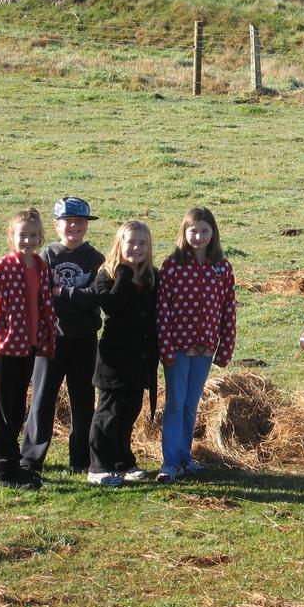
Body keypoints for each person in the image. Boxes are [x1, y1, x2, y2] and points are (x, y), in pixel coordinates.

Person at [0, 208, 57, 490]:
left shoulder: (40, 266)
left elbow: (43, 304)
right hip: (6, 350)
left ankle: (16, 464)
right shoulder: (1, 267)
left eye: (33, 236)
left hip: (31, 347)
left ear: (40, 237)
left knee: (18, 407)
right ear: (12, 236)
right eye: (23, 235)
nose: (28, 241)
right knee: (4, 410)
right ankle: (4, 470)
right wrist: (1, 330)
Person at [20, 196, 104, 476]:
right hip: (50, 339)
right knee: (43, 399)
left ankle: (80, 460)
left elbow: (96, 298)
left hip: (85, 339)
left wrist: (64, 294)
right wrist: (73, 298)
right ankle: (31, 459)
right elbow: (43, 297)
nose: (74, 226)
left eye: (80, 221)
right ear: (56, 225)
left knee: (83, 400)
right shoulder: (47, 257)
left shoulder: (95, 259)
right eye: (68, 221)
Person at [156, 207, 237, 482]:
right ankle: (169, 461)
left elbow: (228, 308)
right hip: (178, 349)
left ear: (213, 233)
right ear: (184, 232)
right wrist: (165, 347)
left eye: (204, 231)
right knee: (175, 403)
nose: (199, 236)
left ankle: (185, 457)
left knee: (191, 404)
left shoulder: (222, 268)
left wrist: (225, 347)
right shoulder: (173, 265)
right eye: (193, 231)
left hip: (205, 349)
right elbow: (162, 309)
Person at [87, 221, 159, 487]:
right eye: (131, 242)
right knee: (109, 412)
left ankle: (122, 461)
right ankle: (98, 466)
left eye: (143, 243)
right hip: (114, 359)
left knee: (130, 410)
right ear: (120, 244)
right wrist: (124, 274)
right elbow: (113, 308)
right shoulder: (106, 274)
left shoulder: (153, 276)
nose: (137, 248)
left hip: (141, 358)